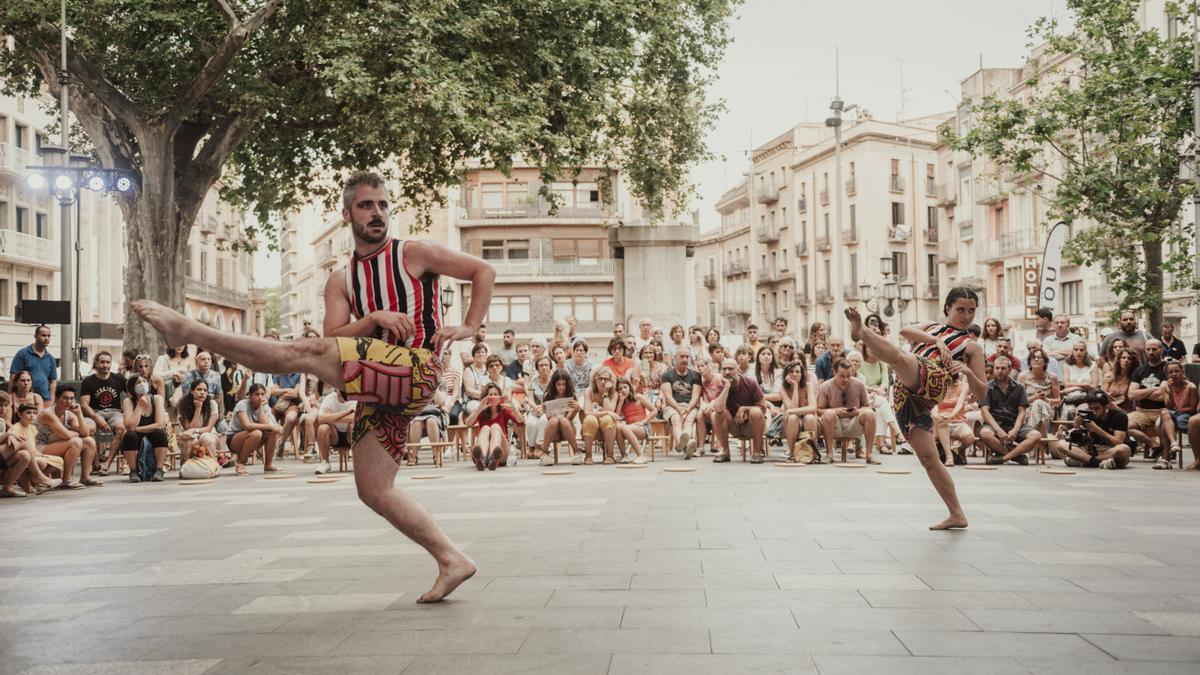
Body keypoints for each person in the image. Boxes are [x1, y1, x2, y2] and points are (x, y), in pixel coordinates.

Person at [845, 288, 987, 530]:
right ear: (947, 309)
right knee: (930, 459)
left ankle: (863, 333)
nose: (966, 316)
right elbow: (904, 331)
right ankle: (957, 514)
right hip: (906, 397)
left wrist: (968, 372)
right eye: (960, 309)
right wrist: (935, 340)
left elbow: (983, 393)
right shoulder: (932, 327)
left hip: (932, 379)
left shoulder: (972, 348)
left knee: (900, 358)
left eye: (971, 311)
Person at [978, 356, 1041, 465]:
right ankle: (1016, 456)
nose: (999, 371)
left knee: (1036, 435)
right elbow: (985, 412)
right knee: (985, 433)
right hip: (995, 424)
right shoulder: (987, 387)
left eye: (1003, 368)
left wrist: (1016, 430)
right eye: (997, 368)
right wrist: (998, 430)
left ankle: (1004, 458)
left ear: (1010, 369)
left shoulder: (1019, 387)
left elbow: (1022, 411)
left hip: (1014, 423)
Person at [36, 387, 101, 489]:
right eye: (65, 398)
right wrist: (75, 433)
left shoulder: (69, 414)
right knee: (76, 442)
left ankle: (85, 478)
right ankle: (67, 480)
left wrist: (79, 413)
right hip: (39, 447)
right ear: (57, 399)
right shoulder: (48, 414)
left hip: (56, 445)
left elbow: (85, 433)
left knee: (89, 441)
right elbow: (66, 435)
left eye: (72, 398)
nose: (69, 401)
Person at [817, 359, 878, 465]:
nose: (845, 379)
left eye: (848, 375)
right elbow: (818, 410)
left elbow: (868, 406)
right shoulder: (826, 386)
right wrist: (835, 411)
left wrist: (857, 411)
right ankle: (829, 454)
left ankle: (869, 454)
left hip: (855, 423)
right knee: (828, 414)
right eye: (842, 376)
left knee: (870, 414)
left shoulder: (859, 384)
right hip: (835, 424)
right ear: (834, 372)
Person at [1050, 391, 1131, 469]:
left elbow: (1119, 442)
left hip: (1110, 450)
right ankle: (1098, 462)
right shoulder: (1087, 415)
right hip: (1092, 450)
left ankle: (1087, 462)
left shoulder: (1119, 416)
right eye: (1091, 408)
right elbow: (1080, 442)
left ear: (1106, 406)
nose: (1094, 411)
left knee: (1124, 449)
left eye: (1097, 408)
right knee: (1061, 444)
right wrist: (1077, 428)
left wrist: (1098, 430)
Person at [710, 358, 768, 463]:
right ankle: (725, 452)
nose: (727, 372)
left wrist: (744, 408)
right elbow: (718, 409)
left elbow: (763, 408)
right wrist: (727, 387)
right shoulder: (722, 386)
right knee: (716, 414)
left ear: (737, 369)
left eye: (730, 369)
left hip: (751, 425)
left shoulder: (750, 383)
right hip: (734, 426)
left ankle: (757, 452)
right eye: (724, 369)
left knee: (756, 412)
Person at [80, 352, 127, 476]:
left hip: (114, 412)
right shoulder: (88, 381)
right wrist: (97, 418)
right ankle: (95, 464)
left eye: (108, 362)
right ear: (96, 363)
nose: (105, 365)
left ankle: (106, 464)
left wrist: (127, 410)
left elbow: (132, 393)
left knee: (122, 428)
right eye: (102, 362)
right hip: (94, 412)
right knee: (88, 429)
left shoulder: (118, 378)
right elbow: (84, 405)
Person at [1, 397, 60, 495]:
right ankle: (38, 477)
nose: (3, 409)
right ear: (20, 414)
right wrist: (8, 435)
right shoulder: (14, 427)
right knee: (23, 443)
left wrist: (8, 436)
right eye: (0, 406)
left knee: (25, 455)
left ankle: (7, 488)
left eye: (5, 406)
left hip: (4, 456)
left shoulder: (2, 421)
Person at [119, 375, 170, 482]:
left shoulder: (157, 399)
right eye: (138, 382)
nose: (142, 384)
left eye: (144, 381)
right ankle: (133, 471)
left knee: (160, 433)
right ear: (133, 387)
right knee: (129, 436)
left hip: (152, 432)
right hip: (136, 435)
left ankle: (159, 470)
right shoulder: (128, 401)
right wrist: (139, 406)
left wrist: (138, 429)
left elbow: (159, 424)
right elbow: (129, 425)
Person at [860, 342, 907, 454]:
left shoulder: (882, 364)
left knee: (881, 406)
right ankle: (896, 432)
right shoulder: (860, 363)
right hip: (864, 396)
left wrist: (880, 390)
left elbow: (885, 382)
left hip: (878, 396)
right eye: (870, 349)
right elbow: (859, 383)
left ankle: (882, 445)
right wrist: (874, 390)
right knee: (882, 402)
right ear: (865, 350)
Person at [465, 382, 521, 471]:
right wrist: (479, 408)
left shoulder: (504, 410)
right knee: (486, 428)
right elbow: (468, 423)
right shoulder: (482, 411)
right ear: (486, 397)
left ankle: (493, 458)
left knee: (495, 426)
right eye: (490, 395)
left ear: (499, 396)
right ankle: (481, 458)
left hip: (501, 453)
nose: (493, 396)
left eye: (495, 394)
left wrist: (513, 407)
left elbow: (521, 421)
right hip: (484, 452)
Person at [1127, 339, 1169, 457]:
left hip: (1162, 411)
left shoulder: (1167, 368)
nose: (1151, 352)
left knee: (1164, 424)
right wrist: (1151, 390)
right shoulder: (1139, 370)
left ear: (1161, 350)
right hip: (1142, 412)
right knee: (1123, 423)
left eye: (1154, 349)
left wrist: (1140, 393)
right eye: (1148, 349)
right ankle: (1154, 445)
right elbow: (1131, 395)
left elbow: (1162, 395)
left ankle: (1166, 451)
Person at [1155, 360, 1197, 469]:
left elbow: (1192, 408)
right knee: (1164, 412)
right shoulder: (1170, 386)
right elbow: (1169, 406)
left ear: (1182, 372)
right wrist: (1169, 391)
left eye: (1177, 371)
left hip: (1186, 415)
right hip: (1176, 413)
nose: (1174, 374)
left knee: (1165, 425)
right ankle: (1174, 444)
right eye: (1170, 372)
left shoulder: (1191, 387)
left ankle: (1165, 460)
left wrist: (1179, 410)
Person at [660, 351, 702, 458]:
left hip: (690, 405)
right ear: (675, 358)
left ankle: (683, 445)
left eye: (687, 357)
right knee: (676, 420)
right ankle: (686, 444)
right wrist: (679, 409)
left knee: (689, 421)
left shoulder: (695, 375)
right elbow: (668, 397)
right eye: (682, 356)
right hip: (672, 406)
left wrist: (687, 409)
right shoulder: (667, 375)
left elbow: (696, 396)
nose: (684, 359)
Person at [776, 361, 820, 463]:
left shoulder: (808, 385)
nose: (794, 374)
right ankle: (792, 454)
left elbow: (813, 408)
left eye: (797, 372)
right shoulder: (783, 388)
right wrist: (795, 386)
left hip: (809, 420)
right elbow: (792, 408)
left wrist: (791, 411)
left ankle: (813, 453)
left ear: (802, 374)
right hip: (791, 422)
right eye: (791, 371)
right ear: (786, 374)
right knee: (792, 418)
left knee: (809, 417)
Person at [176, 379, 224, 468]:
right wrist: (198, 408)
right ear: (192, 391)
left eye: (205, 390)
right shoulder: (183, 405)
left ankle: (212, 466)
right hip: (187, 436)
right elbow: (188, 428)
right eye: (199, 389)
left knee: (206, 437)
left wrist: (194, 430)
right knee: (190, 439)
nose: (202, 392)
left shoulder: (212, 403)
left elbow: (208, 428)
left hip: (208, 433)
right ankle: (185, 467)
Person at [932, 375, 976, 467]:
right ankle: (949, 456)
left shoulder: (964, 386)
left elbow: (960, 403)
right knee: (942, 421)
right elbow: (934, 404)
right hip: (941, 420)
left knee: (970, 437)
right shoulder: (936, 385)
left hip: (957, 420)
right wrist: (936, 415)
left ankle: (960, 449)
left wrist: (951, 415)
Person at [540, 370, 581, 465]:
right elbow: (549, 419)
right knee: (554, 420)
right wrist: (544, 410)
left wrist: (575, 410)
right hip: (553, 429)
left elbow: (569, 418)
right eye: (558, 384)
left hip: (567, 428)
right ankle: (544, 453)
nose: (561, 387)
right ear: (554, 384)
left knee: (564, 420)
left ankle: (577, 452)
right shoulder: (549, 395)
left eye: (564, 384)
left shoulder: (571, 395)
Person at [581, 366, 620, 464]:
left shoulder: (614, 393)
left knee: (608, 419)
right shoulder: (589, 391)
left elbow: (610, 410)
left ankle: (610, 456)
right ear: (595, 379)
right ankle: (588, 457)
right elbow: (587, 412)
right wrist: (606, 412)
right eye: (600, 379)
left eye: (606, 379)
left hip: (607, 425)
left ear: (610, 381)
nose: (602, 382)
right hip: (591, 425)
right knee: (590, 419)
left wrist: (606, 393)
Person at [1018, 348, 1060, 435]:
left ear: (1045, 362)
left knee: (1039, 404)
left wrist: (1046, 399)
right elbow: (1019, 401)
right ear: (1029, 362)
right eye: (1033, 358)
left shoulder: (1052, 377)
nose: (1036, 359)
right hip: (1027, 409)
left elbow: (1058, 401)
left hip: (1047, 409)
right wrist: (1036, 397)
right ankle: (1041, 442)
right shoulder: (1022, 377)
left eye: (1039, 357)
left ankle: (1030, 436)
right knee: (1037, 403)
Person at [10, 325, 57, 403]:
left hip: (45, 399)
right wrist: (10, 397)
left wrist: (52, 399)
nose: (46, 338)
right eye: (43, 335)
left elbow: (53, 381)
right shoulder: (22, 354)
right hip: (25, 399)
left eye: (48, 336)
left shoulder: (50, 358)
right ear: (36, 336)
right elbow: (13, 377)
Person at [523, 356, 554, 460]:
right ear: (537, 368)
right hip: (535, 409)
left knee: (543, 421)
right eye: (541, 365)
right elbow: (529, 398)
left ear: (550, 367)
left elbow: (556, 399)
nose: (544, 367)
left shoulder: (554, 381)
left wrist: (545, 408)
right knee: (531, 422)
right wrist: (536, 408)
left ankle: (539, 446)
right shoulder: (533, 381)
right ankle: (531, 447)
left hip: (549, 410)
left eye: (546, 365)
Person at [614, 376, 652, 464]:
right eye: (620, 389)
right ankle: (624, 455)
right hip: (630, 427)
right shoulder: (621, 402)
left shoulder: (639, 397)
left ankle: (641, 456)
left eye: (625, 387)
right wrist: (620, 401)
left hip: (643, 427)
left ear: (629, 387)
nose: (623, 390)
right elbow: (617, 416)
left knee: (626, 428)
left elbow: (654, 411)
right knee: (619, 426)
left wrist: (644, 421)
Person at [1061, 343, 1098, 418]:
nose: (1078, 352)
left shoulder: (1093, 365)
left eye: (1081, 350)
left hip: (1086, 397)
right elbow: (1066, 384)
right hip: (1071, 397)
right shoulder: (1067, 365)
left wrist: (1074, 386)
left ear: (1085, 352)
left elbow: (1094, 386)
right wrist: (1085, 386)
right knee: (1069, 412)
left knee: (1082, 412)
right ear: (1072, 352)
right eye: (1076, 349)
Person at [1103, 349, 1139, 413]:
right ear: (1119, 360)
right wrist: (1107, 395)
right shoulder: (1110, 375)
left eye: (1129, 358)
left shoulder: (1134, 378)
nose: (1126, 360)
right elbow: (1103, 392)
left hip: (1125, 410)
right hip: (1107, 406)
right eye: (1123, 357)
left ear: (1133, 362)